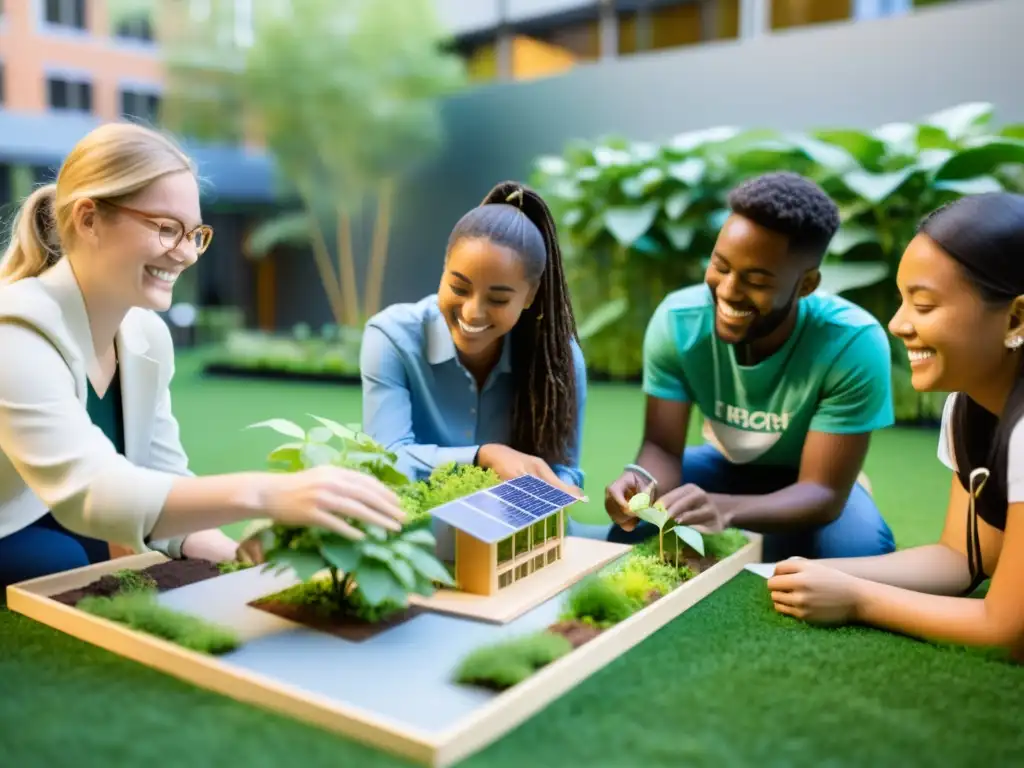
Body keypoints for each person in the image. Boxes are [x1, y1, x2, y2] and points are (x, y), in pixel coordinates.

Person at [0, 122, 406, 590]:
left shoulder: (147, 336)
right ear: (88, 219)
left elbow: (162, 479)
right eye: (167, 229)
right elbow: (90, 490)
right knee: (66, 554)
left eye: (194, 233)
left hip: (77, 529)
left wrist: (240, 557)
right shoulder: (17, 326)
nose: (186, 254)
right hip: (24, 535)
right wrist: (266, 493)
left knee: (93, 553)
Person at [766, 192, 1024, 658]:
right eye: (903, 302)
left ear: (1016, 317)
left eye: (923, 306)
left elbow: (1009, 629)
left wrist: (858, 600)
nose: (897, 323)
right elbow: (964, 558)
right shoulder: (967, 410)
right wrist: (825, 571)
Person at [599, 171, 896, 562]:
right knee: (627, 539)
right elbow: (661, 448)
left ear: (806, 285)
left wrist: (727, 510)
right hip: (724, 465)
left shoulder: (853, 342)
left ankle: (855, 484)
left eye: (756, 280)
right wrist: (642, 485)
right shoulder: (678, 322)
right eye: (721, 266)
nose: (728, 290)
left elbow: (822, 493)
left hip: (810, 479)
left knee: (856, 555)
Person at [360, 180, 586, 494]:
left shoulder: (559, 359)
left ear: (530, 295)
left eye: (497, 300)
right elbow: (386, 459)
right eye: (459, 288)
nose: (472, 313)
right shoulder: (391, 337)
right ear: (443, 270)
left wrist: (557, 489)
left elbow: (566, 469)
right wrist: (483, 457)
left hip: (511, 529)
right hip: (415, 531)